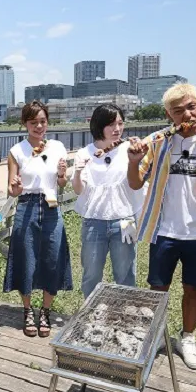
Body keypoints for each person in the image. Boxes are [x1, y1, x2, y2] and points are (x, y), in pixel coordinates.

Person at [127, 83, 196, 370]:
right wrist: (134, 161)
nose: (187, 114)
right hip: (165, 229)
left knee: (193, 288)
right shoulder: (158, 140)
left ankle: (187, 338)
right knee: (157, 287)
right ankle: (158, 336)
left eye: (191, 106)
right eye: (179, 111)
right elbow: (136, 182)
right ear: (169, 115)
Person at [4, 101, 73, 338]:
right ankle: (27, 310)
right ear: (25, 124)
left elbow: (62, 183)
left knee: (53, 258)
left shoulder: (58, 147)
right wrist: (16, 186)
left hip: (52, 207)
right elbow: (12, 190)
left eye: (42, 121)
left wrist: (63, 175)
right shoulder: (16, 151)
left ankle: (45, 311)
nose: (39, 126)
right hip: (27, 206)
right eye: (33, 122)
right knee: (27, 259)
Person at [72, 104, 146, 298]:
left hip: (124, 220)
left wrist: (137, 158)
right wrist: (78, 171)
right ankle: (89, 315)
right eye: (111, 124)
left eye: (120, 123)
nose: (117, 129)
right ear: (99, 126)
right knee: (91, 275)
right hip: (93, 221)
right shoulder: (84, 153)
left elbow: (139, 180)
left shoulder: (129, 149)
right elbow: (79, 190)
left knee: (126, 274)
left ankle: (125, 314)